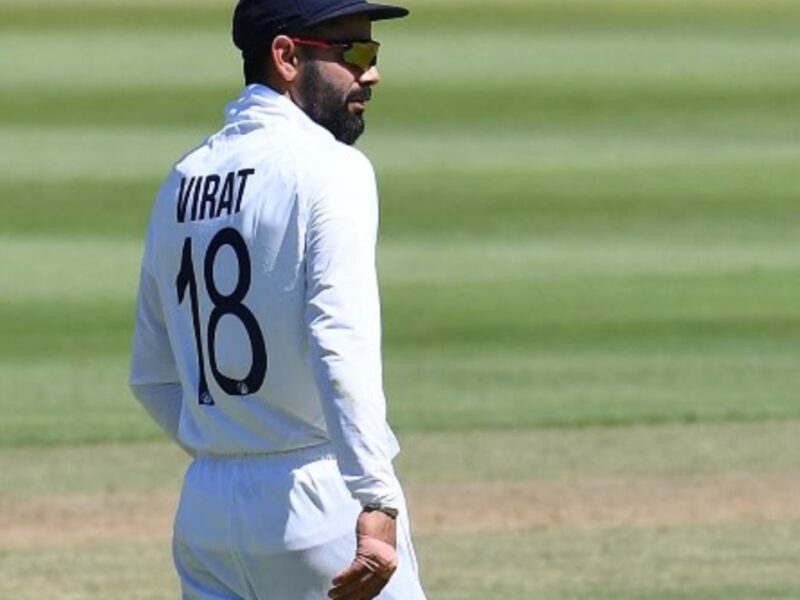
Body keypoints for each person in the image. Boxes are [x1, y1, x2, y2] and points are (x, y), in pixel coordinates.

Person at [128, 1, 427, 598]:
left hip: (207, 509)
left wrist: (234, 447)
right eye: (354, 53)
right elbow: (340, 338)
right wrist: (374, 493)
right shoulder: (333, 168)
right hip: (319, 501)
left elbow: (152, 376)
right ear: (287, 57)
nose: (372, 74)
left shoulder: (183, 179)